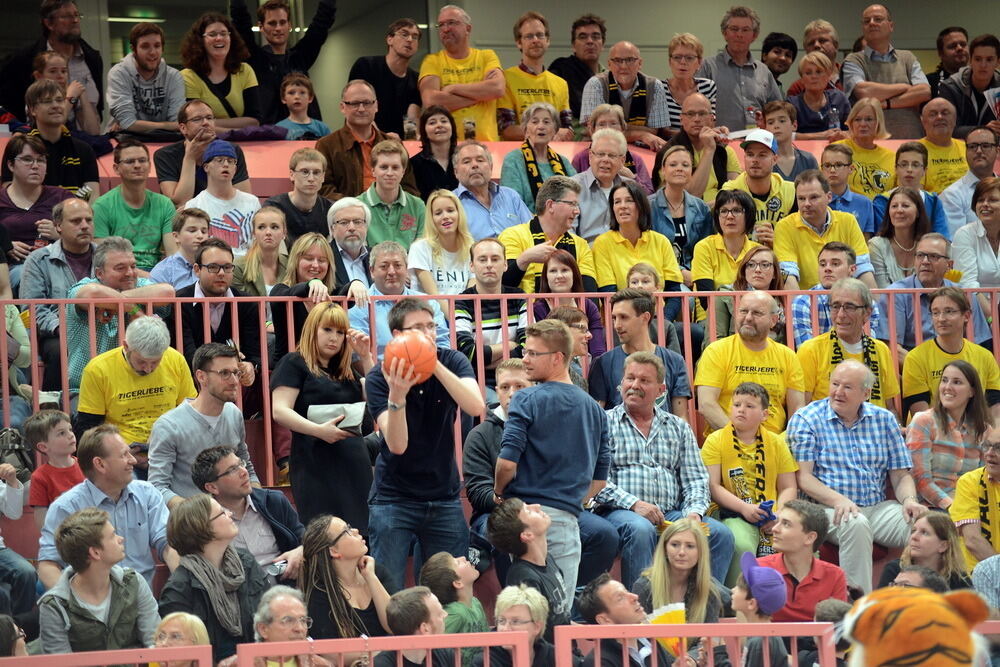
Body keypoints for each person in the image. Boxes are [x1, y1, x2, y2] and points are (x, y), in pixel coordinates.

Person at [365, 297, 484, 591]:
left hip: (443, 494)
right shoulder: (379, 378)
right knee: (389, 588)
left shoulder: (452, 360)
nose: (428, 333)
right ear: (397, 336)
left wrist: (435, 366)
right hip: (394, 497)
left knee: (447, 590)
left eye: (431, 326)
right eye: (418, 328)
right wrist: (397, 397)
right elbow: (397, 445)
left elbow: (475, 405)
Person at [495, 319, 610, 606]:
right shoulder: (595, 411)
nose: (525, 359)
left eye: (534, 353)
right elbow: (599, 481)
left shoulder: (526, 399)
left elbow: (507, 464)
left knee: (527, 612)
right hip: (568, 519)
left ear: (558, 358)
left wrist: (498, 492)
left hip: (527, 518)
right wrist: (567, 500)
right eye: (526, 351)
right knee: (559, 615)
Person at [595, 351, 733, 588]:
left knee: (720, 534)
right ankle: (642, 613)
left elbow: (696, 480)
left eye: (644, 381)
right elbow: (597, 482)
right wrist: (634, 504)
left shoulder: (678, 427)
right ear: (620, 384)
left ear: (661, 390)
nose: (634, 385)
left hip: (671, 514)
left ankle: (702, 609)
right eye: (630, 378)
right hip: (619, 512)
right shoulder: (603, 423)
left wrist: (694, 514)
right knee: (640, 529)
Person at [788, 360, 924, 593]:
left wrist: (910, 500)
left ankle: (921, 600)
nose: (838, 392)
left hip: (876, 508)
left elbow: (901, 476)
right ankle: (857, 608)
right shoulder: (807, 418)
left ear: (866, 393)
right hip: (823, 509)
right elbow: (804, 479)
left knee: (925, 525)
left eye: (848, 387)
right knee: (855, 524)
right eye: (835, 384)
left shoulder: (884, 420)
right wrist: (839, 500)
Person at [271, 302, 374, 530]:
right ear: (312, 329)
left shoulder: (347, 370)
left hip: (354, 461)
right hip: (314, 461)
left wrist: (366, 357)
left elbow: (378, 400)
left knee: (361, 534)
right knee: (324, 536)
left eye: (339, 332)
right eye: (327, 330)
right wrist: (319, 431)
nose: (334, 338)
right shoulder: (293, 363)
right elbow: (279, 411)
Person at [37, 424, 177, 590]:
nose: (133, 460)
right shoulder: (66, 507)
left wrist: (183, 581)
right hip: (90, 602)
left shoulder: (147, 494)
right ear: (100, 464)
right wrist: (75, 601)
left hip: (141, 599)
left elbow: (169, 545)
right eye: (124, 455)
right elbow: (47, 564)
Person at [701, 382, 798, 586]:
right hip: (733, 512)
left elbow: (789, 487)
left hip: (772, 514)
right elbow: (713, 487)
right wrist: (745, 508)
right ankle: (735, 606)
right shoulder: (715, 440)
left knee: (802, 542)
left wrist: (779, 515)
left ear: (764, 415)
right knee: (742, 544)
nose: (741, 410)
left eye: (749, 406)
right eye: (736, 405)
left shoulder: (776, 442)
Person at [73, 315, 196, 473]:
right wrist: (121, 454)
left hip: (170, 449)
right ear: (126, 346)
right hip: (120, 454)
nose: (148, 369)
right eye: (142, 362)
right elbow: (89, 430)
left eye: (155, 362)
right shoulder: (98, 370)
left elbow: (190, 413)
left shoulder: (175, 360)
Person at [158, 493, 268, 663]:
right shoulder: (179, 588)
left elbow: (269, 615)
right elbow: (178, 653)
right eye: (222, 513)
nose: (230, 514)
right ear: (204, 528)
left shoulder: (246, 563)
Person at [147, 343, 259, 509]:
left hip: (237, 516)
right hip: (195, 526)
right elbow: (157, 487)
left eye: (236, 372)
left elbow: (246, 465)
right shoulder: (169, 425)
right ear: (201, 376)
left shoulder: (233, 413)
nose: (235, 381)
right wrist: (199, 514)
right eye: (225, 373)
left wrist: (261, 500)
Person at [38, 508, 158, 654]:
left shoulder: (134, 582)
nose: (121, 538)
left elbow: (155, 642)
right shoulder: (54, 606)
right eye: (113, 535)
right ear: (95, 552)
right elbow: (60, 662)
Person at [697, 291, 804, 436]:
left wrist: (778, 444)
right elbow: (706, 404)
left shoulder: (788, 356)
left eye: (757, 313)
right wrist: (740, 438)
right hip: (726, 441)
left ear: (773, 320)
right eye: (743, 311)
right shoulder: (716, 351)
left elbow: (797, 409)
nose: (748, 318)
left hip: (774, 445)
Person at [192, 446, 303, 582]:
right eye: (232, 470)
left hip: (283, 586)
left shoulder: (273, 501)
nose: (244, 472)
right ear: (212, 487)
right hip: (236, 594)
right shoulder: (205, 520)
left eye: (241, 464)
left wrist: (300, 551)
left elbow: (304, 539)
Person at [796, 278, 900, 415]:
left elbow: (890, 407)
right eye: (835, 306)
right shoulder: (810, 350)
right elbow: (803, 409)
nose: (840, 315)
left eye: (849, 307)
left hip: (873, 431)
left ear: (867, 313)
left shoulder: (880, 349)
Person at [19, 197, 93, 390]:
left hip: (101, 328)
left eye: (89, 220)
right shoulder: (38, 259)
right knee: (59, 349)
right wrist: (66, 328)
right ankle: (54, 407)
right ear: (58, 226)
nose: (85, 226)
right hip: (57, 332)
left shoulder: (105, 255)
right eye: (76, 221)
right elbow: (33, 309)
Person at [877, 234, 993, 352]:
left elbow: (978, 346)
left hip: (958, 365)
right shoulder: (896, 294)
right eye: (920, 255)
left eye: (933, 256)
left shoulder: (965, 295)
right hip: (914, 366)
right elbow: (892, 349)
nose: (925, 261)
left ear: (949, 265)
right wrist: (927, 369)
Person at [229, 0, 335, 126]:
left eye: (282, 22)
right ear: (261, 27)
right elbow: (241, 22)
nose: (278, 28)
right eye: (272, 23)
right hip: (267, 137)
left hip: (305, 136)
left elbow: (321, 24)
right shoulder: (255, 60)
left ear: (289, 25)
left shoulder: (300, 57)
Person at [900, 287, 1000, 420]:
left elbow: (994, 404)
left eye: (949, 312)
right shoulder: (916, 357)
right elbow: (920, 412)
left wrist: (994, 432)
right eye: (935, 313)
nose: (941, 318)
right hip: (934, 434)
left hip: (976, 433)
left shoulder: (984, 356)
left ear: (966, 316)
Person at [316, 79, 419, 201]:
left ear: (376, 106)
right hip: (347, 216)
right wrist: (356, 207)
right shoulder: (327, 145)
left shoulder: (394, 144)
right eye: (354, 103)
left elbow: (409, 189)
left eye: (367, 103)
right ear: (342, 107)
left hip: (390, 214)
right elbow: (323, 190)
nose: (361, 109)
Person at [907, 360, 991, 509]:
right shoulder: (924, 421)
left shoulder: (983, 430)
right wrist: (953, 507)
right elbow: (921, 480)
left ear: (972, 391)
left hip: (971, 507)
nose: (947, 387)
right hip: (932, 507)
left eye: (957, 382)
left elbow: (986, 479)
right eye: (944, 380)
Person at [173, 238, 262, 376]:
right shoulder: (180, 301)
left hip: (236, 385)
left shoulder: (247, 303)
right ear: (197, 269)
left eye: (227, 267)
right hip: (193, 383)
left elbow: (255, 354)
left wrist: (250, 366)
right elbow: (186, 354)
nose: (221, 273)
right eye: (213, 267)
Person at [273, 232, 369, 359]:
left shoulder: (331, 293)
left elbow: (344, 294)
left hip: (329, 369)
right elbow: (283, 295)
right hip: (292, 371)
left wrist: (356, 283)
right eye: (308, 258)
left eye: (322, 260)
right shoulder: (280, 290)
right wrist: (310, 284)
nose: (315, 265)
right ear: (295, 261)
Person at [588, 292, 689, 414]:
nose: (617, 325)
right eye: (614, 318)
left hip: (664, 431)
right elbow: (596, 418)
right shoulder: (603, 363)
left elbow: (681, 416)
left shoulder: (675, 361)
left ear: (645, 317)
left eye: (624, 317)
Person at [775, 170, 876, 291]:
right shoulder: (784, 226)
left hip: (845, 299)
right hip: (806, 302)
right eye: (801, 198)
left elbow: (863, 269)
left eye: (813, 197)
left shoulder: (848, 221)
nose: (806, 204)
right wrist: (802, 308)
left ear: (829, 197)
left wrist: (875, 307)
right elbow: (788, 276)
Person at [593, 182, 684, 315]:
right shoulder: (603, 243)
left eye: (629, 200)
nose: (622, 206)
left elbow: (674, 292)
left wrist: (663, 322)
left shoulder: (661, 241)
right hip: (622, 318)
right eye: (617, 202)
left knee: (696, 333)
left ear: (641, 206)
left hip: (658, 317)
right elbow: (608, 294)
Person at [841, 4, 930, 139]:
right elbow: (864, 92)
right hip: (870, 143)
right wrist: (905, 87)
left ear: (891, 26)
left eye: (878, 19)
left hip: (911, 140)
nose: (872, 23)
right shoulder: (853, 60)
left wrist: (885, 104)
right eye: (866, 21)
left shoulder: (908, 57)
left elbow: (924, 92)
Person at [418, 5, 504, 142]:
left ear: (468, 28)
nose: (446, 29)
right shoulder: (432, 61)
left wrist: (453, 89)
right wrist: (481, 95)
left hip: (487, 146)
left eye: (452, 22)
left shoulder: (487, 56)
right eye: (441, 25)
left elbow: (497, 88)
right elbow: (431, 101)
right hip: (446, 147)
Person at [2, 79, 98, 200]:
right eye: (47, 101)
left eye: (59, 100)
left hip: (72, 215)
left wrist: (71, 207)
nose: (56, 106)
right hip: (30, 214)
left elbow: (90, 190)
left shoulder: (84, 149)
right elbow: (9, 192)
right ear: (32, 110)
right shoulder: (17, 148)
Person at [299, 514, 390, 642]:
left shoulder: (376, 573)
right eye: (346, 531)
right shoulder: (319, 594)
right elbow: (332, 653)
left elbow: (396, 626)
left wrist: (370, 577)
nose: (356, 531)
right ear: (334, 551)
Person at [487, 499, 570, 640]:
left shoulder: (548, 560)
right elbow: (534, 638)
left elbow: (561, 623)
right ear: (527, 535)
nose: (537, 506)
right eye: (528, 510)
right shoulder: (523, 578)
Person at [499, 175, 596, 294]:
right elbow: (501, 285)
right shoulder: (513, 236)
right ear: (550, 205)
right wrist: (525, 259)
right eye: (572, 204)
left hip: (567, 312)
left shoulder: (580, 244)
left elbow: (589, 293)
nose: (577, 211)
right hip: (524, 311)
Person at [755, 499, 849, 622]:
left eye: (786, 524)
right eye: (778, 522)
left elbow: (837, 632)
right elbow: (748, 627)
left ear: (810, 538)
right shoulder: (759, 568)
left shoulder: (835, 576)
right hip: (770, 640)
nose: (774, 529)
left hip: (816, 641)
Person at [347, 242, 448, 356]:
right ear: (372, 271)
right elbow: (357, 355)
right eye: (384, 266)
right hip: (379, 372)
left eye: (397, 265)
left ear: (406, 268)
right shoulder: (359, 305)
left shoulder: (429, 303)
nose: (391, 272)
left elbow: (443, 344)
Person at [92, 138, 176, 271]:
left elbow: (173, 256)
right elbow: (102, 258)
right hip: (118, 272)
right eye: (130, 161)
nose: (137, 165)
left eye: (142, 160)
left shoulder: (164, 204)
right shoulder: (102, 206)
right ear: (116, 168)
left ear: (149, 166)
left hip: (156, 272)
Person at [0, 133, 71, 290]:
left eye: (41, 160)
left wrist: (60, 234)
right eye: (27, 159)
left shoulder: (62, 197)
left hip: (56, 265)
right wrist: (5, 246)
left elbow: (85, 237)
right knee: (25, 275)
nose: (35, 165)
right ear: (11, 165)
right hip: (11, 269)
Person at [455, 239, 527, 392]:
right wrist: (511, 345)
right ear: (472, 266)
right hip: (477, 382)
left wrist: (484, 358)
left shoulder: (520, 297)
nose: (489, 264)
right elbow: (467, 354)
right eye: (482, 259)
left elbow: (528, 348)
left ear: (505, 264)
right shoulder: (462, 302)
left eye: (495, 259)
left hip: (518, 379)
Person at [696, 6, 781, 132]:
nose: (739, 34)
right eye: (734, 29)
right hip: (720, 144)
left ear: (754, 35)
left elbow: (778, 110)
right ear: (725, 33)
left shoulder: (764, 71)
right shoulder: (707, 67)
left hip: (757, 144)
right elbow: (695, 109)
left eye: (745, 30)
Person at [631, 518, 725, 633]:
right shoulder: (644, 586)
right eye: (675, 545)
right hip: (654, 650)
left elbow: (708, 640)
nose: (681, 552)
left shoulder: (709, 589)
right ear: (665, 549)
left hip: (696, 651)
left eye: (690, 546)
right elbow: (642, 641)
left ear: (701, 552)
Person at [153, 100, 253, 206]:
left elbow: (244, 200)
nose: (205, 122)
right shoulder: (165, 155)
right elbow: (179, 203)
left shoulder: (231, 150)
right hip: (185, 219)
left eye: (209, 118)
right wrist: (190, 158)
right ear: (183, 128)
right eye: (197, 119)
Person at [497, 12, 573, 142]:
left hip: (553, 156)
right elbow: (507, 130)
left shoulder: (561, 83)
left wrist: (540, 132)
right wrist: (549, 132)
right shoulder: (505, 79)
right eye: (529, 36)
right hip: (518, 156)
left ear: (547, 41)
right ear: (519, 43)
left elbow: (567, 130)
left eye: (540, 35)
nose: (535, 40)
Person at [579, 41, 669, 151]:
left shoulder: (655, 86)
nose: (623, 66)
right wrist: (642, 134)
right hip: (600, 151)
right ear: (609, 64)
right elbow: (594, 130)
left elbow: (654, 131)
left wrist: (613, 126)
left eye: (630, 60)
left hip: (643, 150)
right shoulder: (595, 84)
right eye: (617, 60)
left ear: (640, 63)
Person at [791, 242, 883, 347]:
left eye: (835, 264)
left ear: (852, 269)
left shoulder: (868, 303)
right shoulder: (802, 302)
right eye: (822, 264)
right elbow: (806, 350)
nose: (827, 268)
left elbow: (867, 348)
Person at [179, 12, 260, 128]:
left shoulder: (245, 70)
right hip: (205, 144)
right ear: (200, 40)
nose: (219, 38)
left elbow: (254, 121)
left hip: (243, 144)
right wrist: (236, 126)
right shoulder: (188, 76)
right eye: (212, 34)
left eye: (224, 33)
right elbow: (194, 123)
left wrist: (209, 123)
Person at [182, 140, 261, 254]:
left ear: (235, 169)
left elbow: (258, 243)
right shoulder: (194, 205)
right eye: (219, 160)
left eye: (231, 161)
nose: (226, 164)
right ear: (206, 167)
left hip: (247, 266)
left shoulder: (252, 202)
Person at [106, 22, 185, 135]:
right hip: (126, 142)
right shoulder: (119, 73)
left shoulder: (174, 76)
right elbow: (127, 123)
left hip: (165, 141)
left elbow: (178, 123)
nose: (152, 52)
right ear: (133, 49)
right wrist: (168, 126)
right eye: (145, 46)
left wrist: (135, 125)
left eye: (157, 46)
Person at [347, 18, 421, 139]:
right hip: (362, 141)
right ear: (389, 39)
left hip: (398, 147)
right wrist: (382, 139)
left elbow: (412, 118)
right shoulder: (366, 65)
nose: (409, 40)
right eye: (404, 34)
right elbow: (358, 110)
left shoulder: (416, 79)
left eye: (415, 37)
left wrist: (413, 140)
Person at [578, 573, 673, 667]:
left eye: (627, 591)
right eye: (620, 598)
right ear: (604, 620)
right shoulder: (598, 662)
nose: (635, 597)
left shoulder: (651, 640)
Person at [648, 145, 713, 281]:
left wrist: (698, 275)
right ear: (663, 171)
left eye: (685, 165)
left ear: (691, 172)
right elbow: (647, 251)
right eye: (673, 164)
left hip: (696, 273)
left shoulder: (701, 208)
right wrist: (680, 274)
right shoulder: (648, 206)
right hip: (658, 274)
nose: (679, 168)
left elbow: (707, 249)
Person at [500, 103, 576, 212]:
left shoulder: (563, 162)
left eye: (546, 122)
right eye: (534, 122)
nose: (541, 126)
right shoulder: (513, 160)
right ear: (525, 130)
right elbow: (511, 205)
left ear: (555, 130)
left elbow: (578, 197)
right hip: (527, 226)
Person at [453, 140, 532, 241]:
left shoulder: (511, 196)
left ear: (491, 167)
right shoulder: (451, 202)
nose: (474, 165)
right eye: (467, 162)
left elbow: (532, 232)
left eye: (480, 160)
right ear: (456, 172)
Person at [533, 250, 605, 359]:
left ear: (574, 274)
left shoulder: (588, 306)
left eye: (565, 270)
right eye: (553, 271)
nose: (559, 275)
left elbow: (598, 350)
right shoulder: (538, 309)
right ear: (545, 277)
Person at [419, 552, 487, 667]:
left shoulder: (476, 603)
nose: (464, 557)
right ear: (457, 583)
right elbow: (432, 648)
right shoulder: (455, 613)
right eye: (457, 562)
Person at [691, 189, 761, 299]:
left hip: (751, 313)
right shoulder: (704, 247)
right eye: (723, 211)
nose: (729, 216)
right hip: (712, 313)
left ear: (749, 215)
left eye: (737, 210)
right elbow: (706, 298)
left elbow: (764, 293)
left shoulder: (758, 251)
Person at [721, 129, 796, 229]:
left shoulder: (790, 191)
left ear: (774, 160)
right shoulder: (729, 191)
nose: (755, 160)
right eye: (750, 154)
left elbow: (797, 236)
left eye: (762, 155)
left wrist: (777, 241)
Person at [711, 246, 787, 346]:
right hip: (733, 358)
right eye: (751, 265)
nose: (757, 270)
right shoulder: (725, 296)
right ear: (744, 271)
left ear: (775, 273)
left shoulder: (784, 302)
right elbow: (714, 340)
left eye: (765, 265)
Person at [572, 105, 655, 195]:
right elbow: (570, 191)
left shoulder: (635, 159)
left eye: (613, 123)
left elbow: (649, 195)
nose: (608, 128)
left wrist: (632, 179)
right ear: (592, 129)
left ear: (623, 128)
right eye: (601, 124)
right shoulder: (581, 158)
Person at [877, 511, 971, 590]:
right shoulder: (895, 569)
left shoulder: (959, 580)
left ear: (943, 545)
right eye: (913, 531)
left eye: (924, 533)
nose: (914, 537)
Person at [357, 140, 425, 249]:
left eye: (395, 167)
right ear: (373, 170)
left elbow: (422, 249)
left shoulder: (418, 206)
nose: (389, 173)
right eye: (384, 167)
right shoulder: (357, 206)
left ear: (403, 171)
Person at [871, 143, 949, 238]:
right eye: (904, 164)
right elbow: (882, 238)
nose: (909, 169)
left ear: (924, 170)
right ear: (896, 169)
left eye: (915, 165)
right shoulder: (882, 201)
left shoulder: (933, 201)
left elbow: (942, 238)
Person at [572, 128, 634, 241]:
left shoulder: (631, 187)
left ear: (622, 160)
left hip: (624, 254)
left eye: (612, 155)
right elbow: (568, 234)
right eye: (600, 154)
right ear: (590, 156)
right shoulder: (572, 187)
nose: (605, 160)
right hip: (587, 254)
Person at [474, 584, 558, 667]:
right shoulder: (484, 662)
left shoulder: (556, 657)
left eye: (515, 622)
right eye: (502, 621)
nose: (506, 629)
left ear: (537, 627)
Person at [408, 189, 472, 297]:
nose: (445, 216)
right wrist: (455, 314)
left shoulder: (471, 248)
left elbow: (471, 296)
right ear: (431, 219)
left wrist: (463, 313)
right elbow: (435, 297)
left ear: (459, 213)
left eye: (450, 210)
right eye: (438, 213)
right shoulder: (419, 248)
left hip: (463, 311)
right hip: (430, 312)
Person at [27, 410, 84, 532]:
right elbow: (41, 518)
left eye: (70, 429)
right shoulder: (39, 477)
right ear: (43, 447)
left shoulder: (86, 466)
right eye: (61, 433)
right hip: (64, 538)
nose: (71, 435)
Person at [247, 586, 332, 667]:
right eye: (288, 620)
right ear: (263, 629)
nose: (299, 628)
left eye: (303, 620)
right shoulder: (241, 664)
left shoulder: (320, 665)